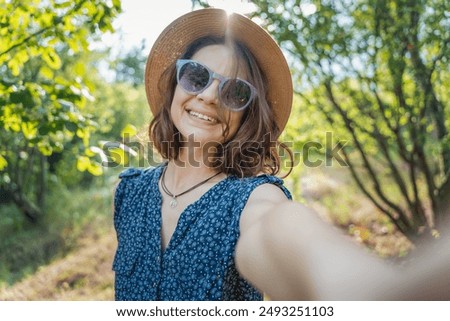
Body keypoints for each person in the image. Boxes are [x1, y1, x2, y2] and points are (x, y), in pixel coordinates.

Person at [112, 8, 450, 301]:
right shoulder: (127, 192)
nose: (210, 96)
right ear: (175, 85)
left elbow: (283, 229)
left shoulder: (252, 200)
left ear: (247, 114)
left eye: (235, 91)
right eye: (197, 77)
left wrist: (379, 297)